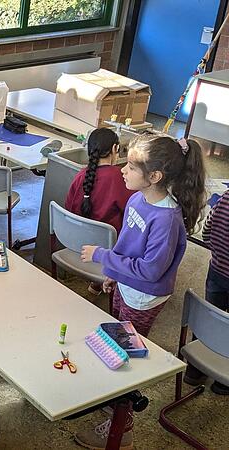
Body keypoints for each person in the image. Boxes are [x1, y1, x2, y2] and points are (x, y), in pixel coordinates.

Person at [77, 134, 206, 449]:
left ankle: (122, 424)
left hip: (144, 297)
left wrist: (102, 257)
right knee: (115, 338)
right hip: (126, 285)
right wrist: (113, 274)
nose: (123, 170)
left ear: (155, 177)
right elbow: (127, 245)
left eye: (132, 167)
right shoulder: (137, 199)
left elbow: (150, 270)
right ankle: (110, 397)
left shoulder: (166, 219)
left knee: (128, 355)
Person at [65, 128, 134, 294]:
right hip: (106, 247)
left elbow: (68, 208)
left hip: (76, 241)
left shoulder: (82, 175)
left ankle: (95, 286)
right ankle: (106, 284)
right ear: (115, 149)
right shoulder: (119, 178)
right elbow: (133, 213)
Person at [182, 187, 229, 394]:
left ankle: (195, 369)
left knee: (211, 315)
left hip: (218, 270)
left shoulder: (226, 198)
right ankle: (223, 381)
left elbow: (207, 232)